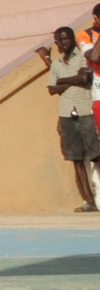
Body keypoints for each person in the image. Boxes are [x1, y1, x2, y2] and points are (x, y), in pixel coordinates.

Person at [35, 26, 98, 212]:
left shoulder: (83, 56)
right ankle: (89, 201)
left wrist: (62, 81)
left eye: (67, 39)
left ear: (73, 39)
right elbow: (52, 89)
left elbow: (86, 78)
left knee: (96, 155)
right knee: (76, 158)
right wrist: (71, 80)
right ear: (57, 43)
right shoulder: (56, 64)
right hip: (66, 113)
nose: (64, 43)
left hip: (86, 109)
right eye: (60, 40)